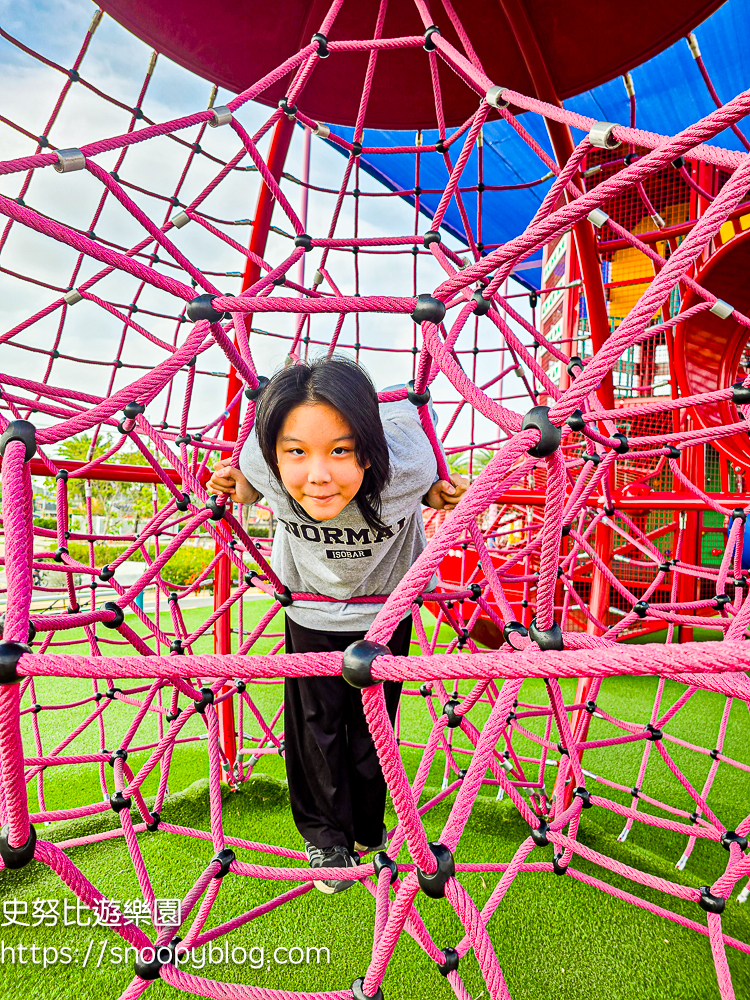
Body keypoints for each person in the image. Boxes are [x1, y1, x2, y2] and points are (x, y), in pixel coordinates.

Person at [206, 356, 467, 893]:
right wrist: (245, 490)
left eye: (341, 451)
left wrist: (433, 488)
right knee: (313, 724)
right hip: (308, 607)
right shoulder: (263, 460)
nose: (319, 475)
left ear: (370, 450)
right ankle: (327, 840)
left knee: (374, 725)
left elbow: (411, 402)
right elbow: (255, 481)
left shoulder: (408, 463)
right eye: (297, 452)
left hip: (384, 612)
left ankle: (369, 828)